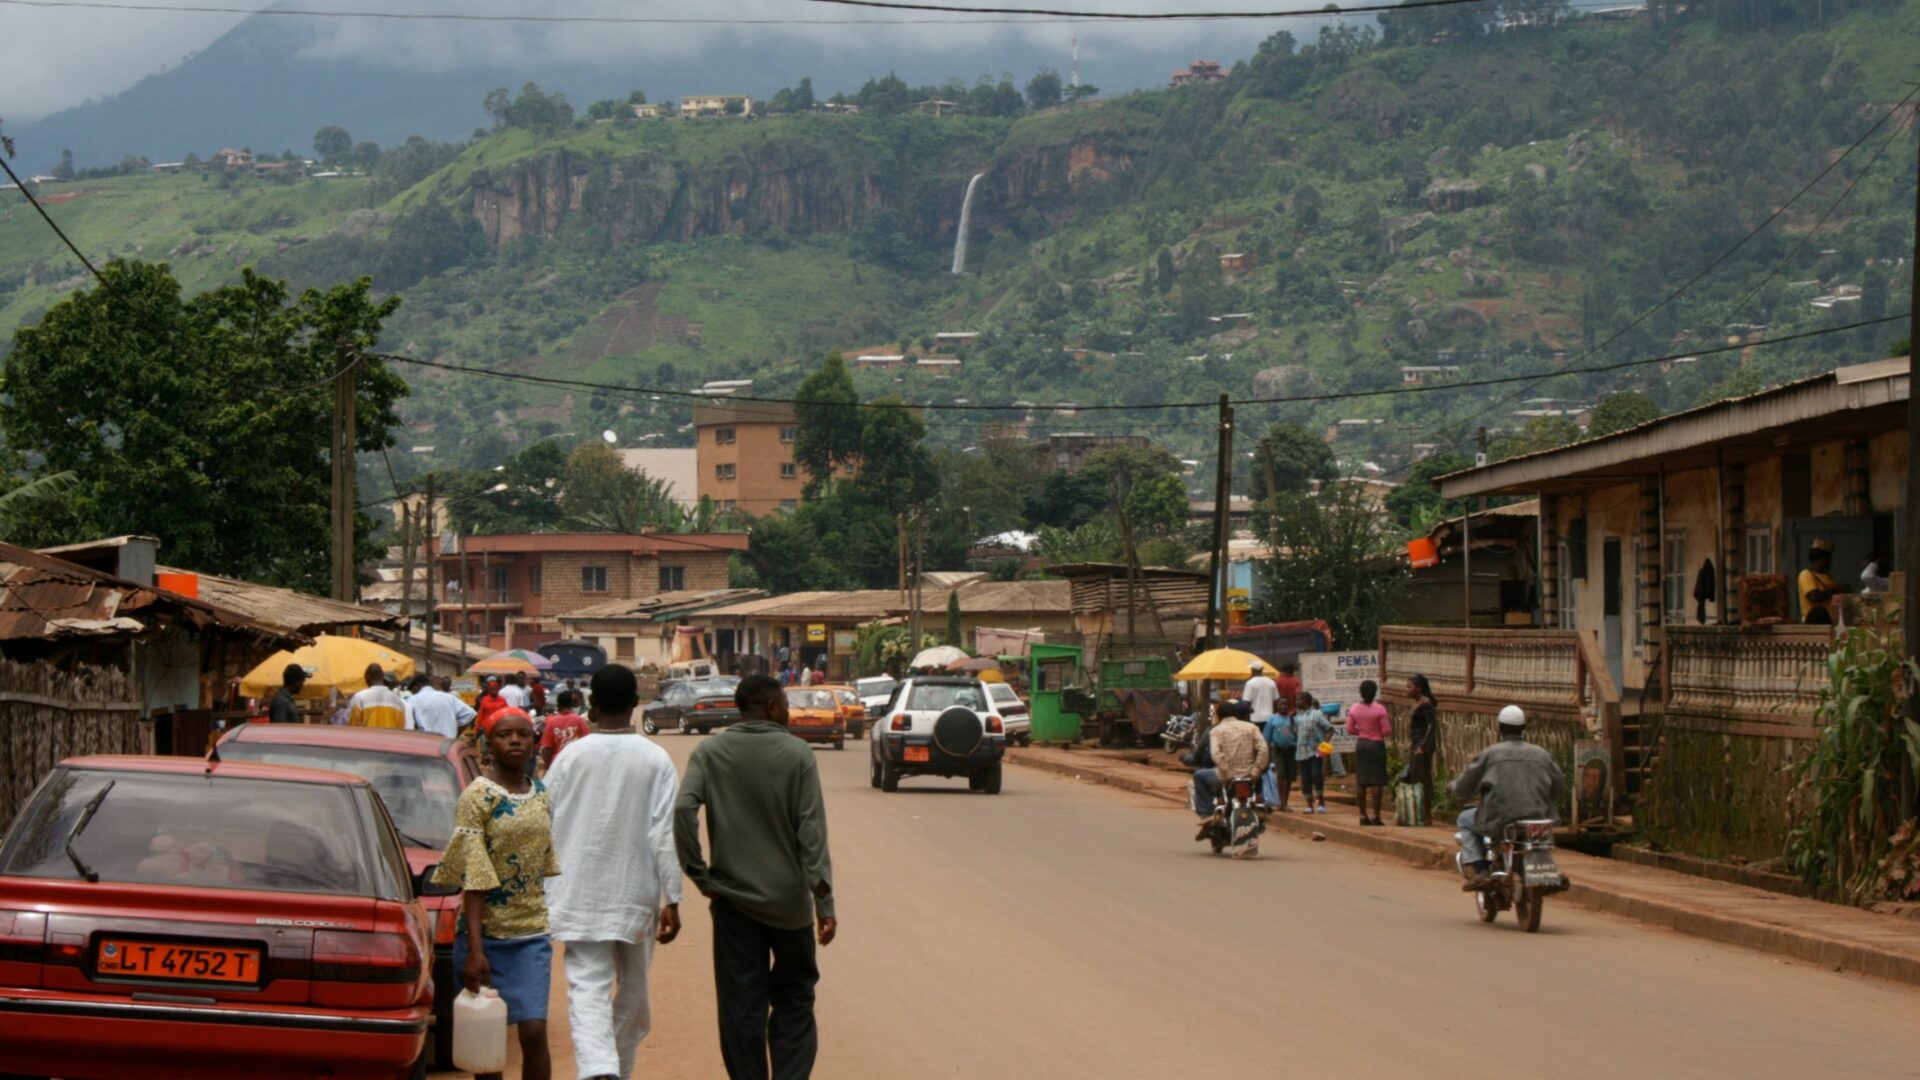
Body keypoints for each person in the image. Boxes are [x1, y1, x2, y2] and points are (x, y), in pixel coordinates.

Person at [676, 674, 836, 1080]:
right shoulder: (798, 753)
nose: (788, 711)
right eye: (784, 703)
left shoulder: (709, 752)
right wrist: (824, 902)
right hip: (790, 906)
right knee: (796, 997)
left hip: (733, 904)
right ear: (769, 707)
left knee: (740, 1006)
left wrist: (699, 873)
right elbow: (811, 834)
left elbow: (683, 811)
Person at [545, 665, 684, 1080]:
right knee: (635, 992)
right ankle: (606, 1071)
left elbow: (543, 821)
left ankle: (604, 1070)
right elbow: (666, 833)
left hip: (578, 892)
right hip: (635, 891)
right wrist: (672, 898)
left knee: (587, 986)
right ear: (636, 705)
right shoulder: (655, 759)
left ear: (591, 705)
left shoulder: (569, 758)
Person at [433, 709, 558, 1080]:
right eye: (505, 735)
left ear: (534, 742)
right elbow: (474, 877)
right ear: (489, 744)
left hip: (531, 934)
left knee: (534, 1033)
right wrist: (475, 949)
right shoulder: (477, 798)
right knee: (488, 1036)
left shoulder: (542, 795)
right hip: (482, 937)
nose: (515, 740)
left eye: (523, 734)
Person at [1449, 705, 1567, 889]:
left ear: (1500, 728)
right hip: (1539, 816)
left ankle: (1479, 870)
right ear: (1523, 728)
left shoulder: (1491, 753)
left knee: (1464, 819)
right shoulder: (1541, 754)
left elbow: (1465, 786)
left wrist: (1453, 787)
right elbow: (1559, 787)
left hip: (1500, 818)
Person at [1346, 679, 1391, 826]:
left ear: (1361, 692)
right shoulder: (1380, 709)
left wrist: (1362, 731)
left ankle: (1362, 815)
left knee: (1362, 781)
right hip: (1376, 745)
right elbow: (1386, 731)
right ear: (1374, 692)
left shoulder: (1354, 709)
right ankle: (1376, 815)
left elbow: (1350, 729)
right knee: (1376, 781)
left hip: (1362, 744)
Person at [1404, 673, 1439, 820]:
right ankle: (1420, 812)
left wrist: (1423, 746)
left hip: (1422, 745)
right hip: (1416, 743)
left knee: (1422, 778)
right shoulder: (1417, 703)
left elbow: (1431, 726)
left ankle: (1426, 813)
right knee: (1414, 776)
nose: (1407, 690)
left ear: (1419, 688)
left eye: (1410, 687)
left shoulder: (1426, 704)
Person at [1293, 693, 1332, 814]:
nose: (1296, 702)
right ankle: (1309, 805)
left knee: (1316, 775)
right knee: (1305, 779)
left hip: (1316, 751)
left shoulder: (1317, 714)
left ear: (1305, 701)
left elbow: (1329, 729)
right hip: (1301, 751)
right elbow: (1295, 731)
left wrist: (1324, 744)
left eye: (1298, 699)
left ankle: (1320, 802)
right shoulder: (1296, 716)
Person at [405, 673, 477, 738]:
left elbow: (407, 722)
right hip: (448, 745)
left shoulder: (413, 699)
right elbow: (470, 714)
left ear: (418, 685)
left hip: (426, 744)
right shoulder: (449, 698)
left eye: (412, 690)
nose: (413, 693)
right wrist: (457, 733)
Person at [538, 689, 592, 771]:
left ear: (558, 704)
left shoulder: (552, 721)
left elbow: (547, 749)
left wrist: (547, 767)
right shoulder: (579, 720)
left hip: (557, 764)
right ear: (571, 704)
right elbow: (588, 744)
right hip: (575, 764)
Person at [1261, 698, 1298, 812]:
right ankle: (1280, 802)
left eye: (1286, 704)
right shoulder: (1272, 719)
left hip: (1292, 750)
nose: (1284, 706)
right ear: (1277, 707)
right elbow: (1266, 737)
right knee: (1280, 775)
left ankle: (1285, 802)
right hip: (1278, 750)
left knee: (1289, 777)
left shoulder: (1293, 719)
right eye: (1281, 704)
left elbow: (1297, 733)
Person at [1799, 541, 1848, 624]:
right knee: (1819, 611)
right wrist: (1836, 589)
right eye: (1827, 560)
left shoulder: (1827, 577)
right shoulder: (1806, 574)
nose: (1829, 564)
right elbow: (1814, 596)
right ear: (1819, 560)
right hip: (1815, 622)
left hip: (1829, 621)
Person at [346, 663, 408, 729]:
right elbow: (400, 729)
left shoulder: (359, 698)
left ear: (367, 677)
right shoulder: (398, 702)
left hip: (367, 739)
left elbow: (352, 727)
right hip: (389, 739)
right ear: (382, 676)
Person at [1239, 661, 1281, 726]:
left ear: (1253, 670)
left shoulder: (1250, 683)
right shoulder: (1271, 682)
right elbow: (1276, 700)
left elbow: (1246, 703)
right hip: (1270, 718)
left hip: (1255, 718)